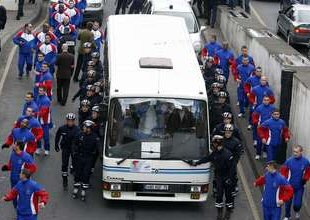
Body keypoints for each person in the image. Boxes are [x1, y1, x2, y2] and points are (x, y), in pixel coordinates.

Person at [188, 135, 235, 220]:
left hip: (227, 178)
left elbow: (232, 169)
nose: (213, 144)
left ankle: (228, 212)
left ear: (217, 143)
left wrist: (230, 179)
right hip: (219, 177)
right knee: (219, 195)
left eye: (214, 143)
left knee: (228, 196)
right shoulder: (215, 153)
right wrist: (196, 163)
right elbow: (207, 158)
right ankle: (220, 213)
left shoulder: (228, 155)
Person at [1, 141, 37, 207]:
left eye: (15, 144)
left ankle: (23, 212)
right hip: (13, 179)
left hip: (21, 181)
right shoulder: (13, 154)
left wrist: (25, 176)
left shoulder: (26, 157)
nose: (13, 145)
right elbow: (11, 164)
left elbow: (33, 168)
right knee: (14, 196)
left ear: (18, 146)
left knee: (21, 197)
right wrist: (7, 167)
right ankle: (17, 209)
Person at [72, 120, 100, 201]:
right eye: (84, 127)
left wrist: (96, 157)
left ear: (89, 128)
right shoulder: (80, 134)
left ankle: (84, 190)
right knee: (77, 172)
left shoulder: (95, 137)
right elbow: (74, 143)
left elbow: (98, 149)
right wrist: (74, 151)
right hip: (79, 157)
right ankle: (76, 188)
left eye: (85, 127)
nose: (84, 128)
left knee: (86, 174)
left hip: (89, 158)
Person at [280, 145, 310, 220]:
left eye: (296, 152)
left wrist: (305, 179)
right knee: (288, 203)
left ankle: (297, 211)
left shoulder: (306, 162)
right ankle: (287, 215)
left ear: (301, 152)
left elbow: (308, 172)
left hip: (299, 187)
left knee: (298, 204)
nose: (295, 153)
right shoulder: (289, 161)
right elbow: (283, 172)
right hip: (289, 186)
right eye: (294, 152)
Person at [55, 113, 80, 190]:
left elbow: (80, 139)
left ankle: (76, 180)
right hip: (65, 148)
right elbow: (57, 135)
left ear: (74, 121)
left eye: (72, 121)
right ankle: (65, 179)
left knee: (76, 164)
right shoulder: (62, 128)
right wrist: (56, 144)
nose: (70, 122)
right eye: (69, 121)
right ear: (66, 121)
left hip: (74, 149)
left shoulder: (77, 129)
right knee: (64, 164)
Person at [223, 124, 243, 196]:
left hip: (232, 162)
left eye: (229, 132)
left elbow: (238, 154)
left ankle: (233, 188)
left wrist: (234, 162)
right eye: (226, 132)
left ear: (232, 133)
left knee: (232, 176)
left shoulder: (236, 142)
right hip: (222, 162)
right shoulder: (221, 140)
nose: (227, 134)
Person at [36, 86, 52, 156]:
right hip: (38, 120)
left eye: (41, 90)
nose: (40, 92)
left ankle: (47, 149)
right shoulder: (38, 97)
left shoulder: (46, 100)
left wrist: (34, 114)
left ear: (45, 91)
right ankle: (38, 148)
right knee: (38, 136)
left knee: (46, 136)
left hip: (44, 122)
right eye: (39, 90)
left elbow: (43, 112)